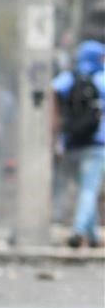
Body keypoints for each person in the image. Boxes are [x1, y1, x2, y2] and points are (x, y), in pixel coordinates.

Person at [52, 40, 105, 248]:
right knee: (89, 189)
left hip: (72, 142)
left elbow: (52, 91)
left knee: (83, 188)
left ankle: (92, 236)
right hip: (97, 144)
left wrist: (56, 132)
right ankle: (79, 230)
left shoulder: (69, 78)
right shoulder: (101, 78)